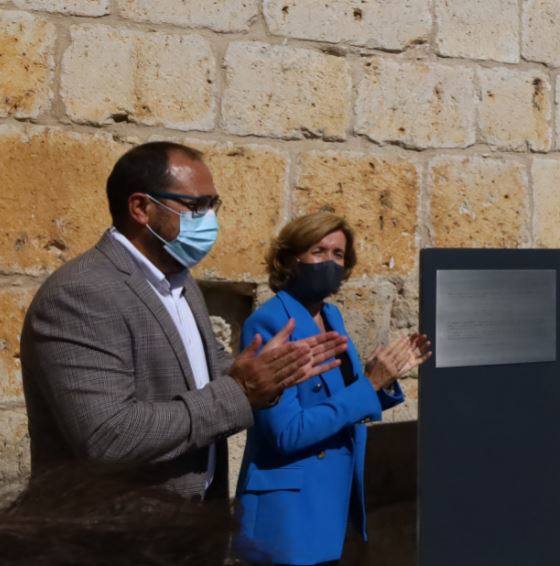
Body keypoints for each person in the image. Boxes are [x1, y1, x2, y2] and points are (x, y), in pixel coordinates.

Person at [19, 142, 346, 559]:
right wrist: (242, 391)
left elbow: (202, 371)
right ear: (142, 208)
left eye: (214, 205)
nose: (209, 219)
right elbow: (108, 437)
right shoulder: (83, 294)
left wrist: (273, 374)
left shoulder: (178, 281)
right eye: (197, 206)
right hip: (114, 544)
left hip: (188, 535)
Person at [233, 211, 430, 566]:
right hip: (289, 513)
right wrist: (369, 385)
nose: (330, 262)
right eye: (318, 251)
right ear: (291, 258)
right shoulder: (269, 321)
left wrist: (382, 380)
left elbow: (343, 400)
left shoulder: (331, 315)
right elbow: (287, 432)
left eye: (338, 255)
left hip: (334, 500)